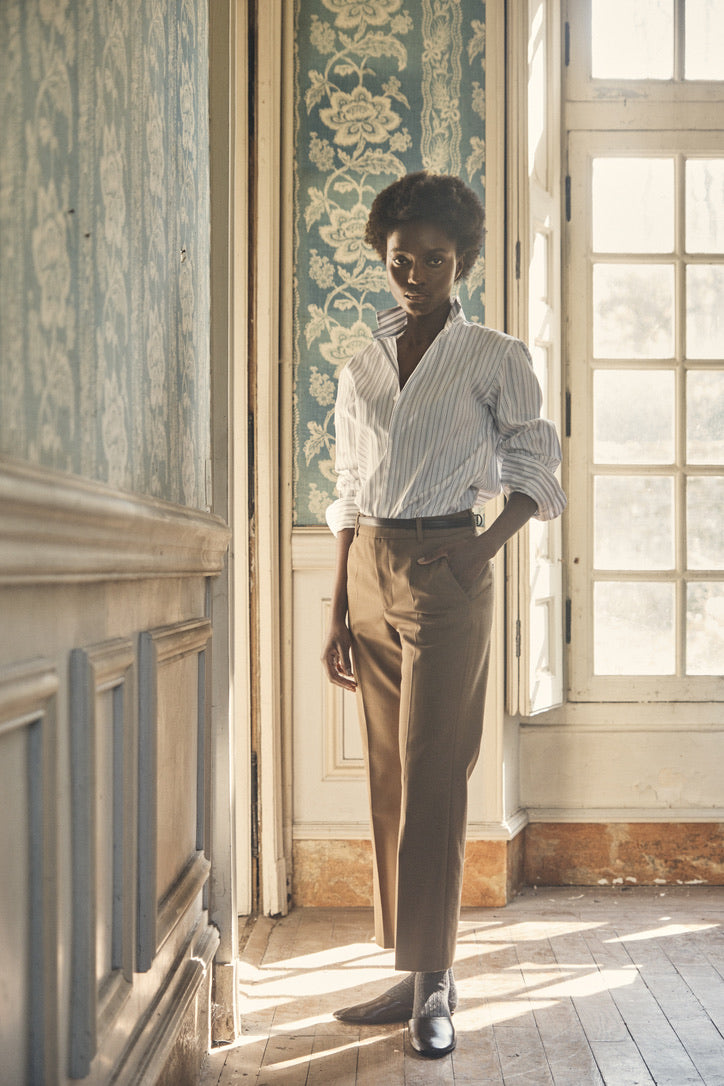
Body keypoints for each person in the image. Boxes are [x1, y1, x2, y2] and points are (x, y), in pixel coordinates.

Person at [321, 171, 566, 1058]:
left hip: (448, 565)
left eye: (434, 259)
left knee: (436, 772)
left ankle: (436, 985)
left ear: (460, 260)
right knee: (390, 774)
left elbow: (538, 471)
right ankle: (412, 967)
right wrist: (337, 607)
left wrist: (480, 548)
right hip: (370, 572)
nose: (416, 273)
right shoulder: (359, 367)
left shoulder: (497, 355)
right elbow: (347, 492)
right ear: (383, 262)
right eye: (400, 260)